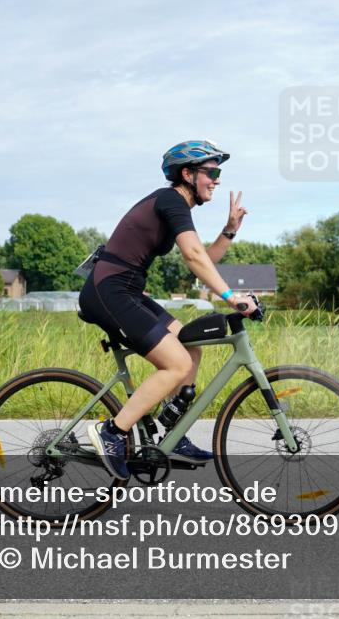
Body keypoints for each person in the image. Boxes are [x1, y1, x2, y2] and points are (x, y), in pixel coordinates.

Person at [78, 140, 258, 480]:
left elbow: (203, 261)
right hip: (109, 291)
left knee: (190, 346)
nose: (216, 180)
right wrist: (231, 297)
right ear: (187, 174)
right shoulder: (171, 199)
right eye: (211, 172)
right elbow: (194, 257)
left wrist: (230, 229)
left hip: (126, 290)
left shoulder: (177, 205)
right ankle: (112, 433)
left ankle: (171, 436)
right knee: (175, 364)